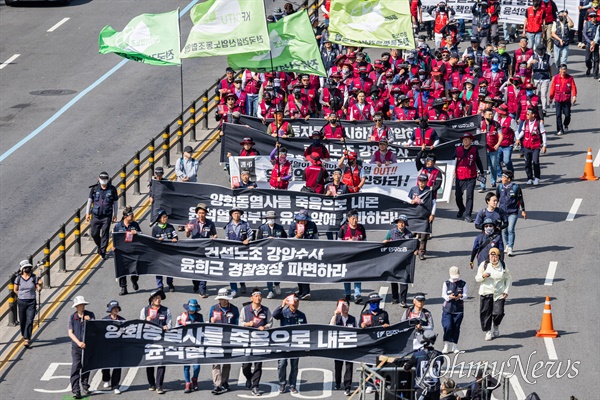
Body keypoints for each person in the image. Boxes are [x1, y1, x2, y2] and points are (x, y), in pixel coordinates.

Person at [240, 288, 273, 396]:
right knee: (245, 366)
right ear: (252, 298)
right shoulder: (245, 309)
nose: (258, 298)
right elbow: (239, 322)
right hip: (247, 341)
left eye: (260, 296)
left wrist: (265, 327)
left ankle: (255, 386)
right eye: (256, 296)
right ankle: (249, 378)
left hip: (260, 342)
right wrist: (247, 324)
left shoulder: (266, 310)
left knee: (258, 365)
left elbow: (270, 322)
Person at [273, 294, 308, 394]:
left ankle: (292, 385)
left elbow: (306, 329)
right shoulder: (283, 312)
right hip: (283, 343)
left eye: (296, 304)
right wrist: (282, 305)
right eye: (293, 304)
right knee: (282, 363)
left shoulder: (301, 315)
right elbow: (275, 315)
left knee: (294, 366)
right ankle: (282, 384)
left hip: (296, 344)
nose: (295, 306)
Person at [475, 248, 512, 341]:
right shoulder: (484, 265)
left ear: (499, 257)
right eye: (491, 256)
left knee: (499, 312)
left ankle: (496, 325)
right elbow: (477, 278)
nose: (493, 259)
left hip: (499, 293)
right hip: (486, 292)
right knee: (485, 313)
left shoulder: (503, 265)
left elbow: (508, 278)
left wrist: (506, 291)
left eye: (495, 256)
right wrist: (483, 276)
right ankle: (488, 331)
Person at [209, 288, 240, 395]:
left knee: (227, 362)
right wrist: (211, 321)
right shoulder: (213, 308)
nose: (224, 301)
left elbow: (237, 325)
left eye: (225, 299)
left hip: (229, 340)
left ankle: (225, 382)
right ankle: (217, 385)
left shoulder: (234, 309)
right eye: (222, 299)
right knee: (216, 363)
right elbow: (208, 324)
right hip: (216, 340)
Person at [142, 289, 171, 394]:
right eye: (156, 298)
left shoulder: (166, 310)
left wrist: (166, 326)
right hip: (149, 340)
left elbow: (169, 324)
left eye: (159, 298)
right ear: (151, 300)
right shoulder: (144, 310)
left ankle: (159, 385)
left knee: (162, 362)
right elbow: (140, 326)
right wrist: (146, 321)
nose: (158, 300)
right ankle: (151, 383)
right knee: (149, 361)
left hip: (162, 340)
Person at [186, 203, 218, 297]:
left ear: (206, 213)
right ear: (197, 213)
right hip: (194, 250)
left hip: (205, 250)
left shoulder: (210, 223)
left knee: (204, 270)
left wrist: (214, 237)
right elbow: (187, 236)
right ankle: (196, 285)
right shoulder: (192, 222)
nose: (201, 215)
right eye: (199, 213)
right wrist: (187, 231)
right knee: (195, 270)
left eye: (203, 213)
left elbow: (214, 234)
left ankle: (202, 289)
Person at [86, 171, 118, 260]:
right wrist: (87, 213)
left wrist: (115, 214)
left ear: (108, 180)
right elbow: (89, 201)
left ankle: (103, 252)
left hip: (106, 216)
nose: (103, 181)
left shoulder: (112, 189)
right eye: (102, 179)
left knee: (105, 234)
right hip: (95, 216)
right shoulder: (95, 189)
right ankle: (100, 246)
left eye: (105, 179)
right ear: (98, 179)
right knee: (94, 233)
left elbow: (115, 203)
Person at [403, 330, 443, 400]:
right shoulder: (440, 355)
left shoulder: (417, 355)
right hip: (435, 390)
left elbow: (406, 367)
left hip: (421, 389)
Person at [383, 216, 414, 306]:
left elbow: (413, 245)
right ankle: (395, 298)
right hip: (393, 260)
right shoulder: (391, 232)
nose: (401, 224)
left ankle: (403, 300)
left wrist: (415, 250)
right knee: (394, 279)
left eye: (403, 222)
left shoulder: (409, 234)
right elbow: (385, 241)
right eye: (399, 222)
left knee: (404, 280)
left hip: (404, 261)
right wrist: (386, 241)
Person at [68, 296, 95, 399]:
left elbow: (95, 327)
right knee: (76, 367)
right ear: (76, 306)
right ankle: (76, 390)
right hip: (76, 347)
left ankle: (85, 385)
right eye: (80, 305)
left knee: (86, 367)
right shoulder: (72, 317)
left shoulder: (90, 315)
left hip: (88, 346)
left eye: (83, 305)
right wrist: (79, 343)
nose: (82, 306)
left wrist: (89, 321)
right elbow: (70, 332)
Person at [454, 133, 485, 222]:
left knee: (469, 196)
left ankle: (468, 214)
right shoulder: (458, 149)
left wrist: (482, 172)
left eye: (467, 139)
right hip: (459, 176)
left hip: (471, 176)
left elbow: (478, 161)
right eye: (464, 139)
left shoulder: (474, 150)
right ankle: (461, 209)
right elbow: (451, 161)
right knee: (458, 196)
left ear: (471, 141)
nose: (465, 141)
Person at [256, 211, 287, 298]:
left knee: (277, 271)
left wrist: (276, 239)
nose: (271, 220)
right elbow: (258, 240)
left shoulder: (280, 228)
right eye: (269, 218)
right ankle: (270, 290)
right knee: (268, 272)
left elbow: (285, 239)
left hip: (278, 253)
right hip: (266, 253)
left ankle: (277, 284)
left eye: (272, 219)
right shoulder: (262, 228)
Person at [338, 209, 367, 304]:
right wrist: (347, 242)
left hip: (358, 256)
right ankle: (347, 293)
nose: (355, 220)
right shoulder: (343, 229)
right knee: (347, 276)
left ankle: (357, 294)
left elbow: (366, 242)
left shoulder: (361, 228)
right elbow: (337, 243)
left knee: (357, 275)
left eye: (357, 218)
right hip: (346, 256)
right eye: (353, 218)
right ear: (348, 219)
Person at [289, 210, 319, 300]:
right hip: (297, 251)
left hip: (309, 251)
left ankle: (306, 291)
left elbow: (316, 237)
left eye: (305, 220)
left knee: (306, 270)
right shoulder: (292, 226)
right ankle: (301, 290)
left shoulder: (312, 225)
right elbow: (288, 239)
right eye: (301, 220)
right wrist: (297, 237)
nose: (303, 222)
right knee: (297, 271)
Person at [330, 298, 357, 396]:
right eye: (342, 305)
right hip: (338, 347)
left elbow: (357, 331)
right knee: (338, 366)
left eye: (346, 305)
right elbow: (330, 328)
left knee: (349, 367)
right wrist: (335, 315)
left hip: (349, 347)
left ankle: (347, 386)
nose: (345, 307)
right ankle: (337, 382)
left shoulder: (353, 319)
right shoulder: (336, 318)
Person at [496, 171, 527, 257]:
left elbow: (520, 199)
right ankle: (507, 244)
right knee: (504, 230)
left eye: (503, 177)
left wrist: (523, 210)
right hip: (502, 213)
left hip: (513, 212)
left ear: (508, 179)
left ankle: (510, 247)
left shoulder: (516, 188)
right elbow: (497, 199)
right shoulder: (500, 187)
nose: (502, 178)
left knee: (510, 229)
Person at [176, 299, 203, 393]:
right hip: (185, 344)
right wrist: (179, 323)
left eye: (194, 309)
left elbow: (203, 329)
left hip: (196, 344)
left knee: (197, 366)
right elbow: (175, 330)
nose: (192, 310)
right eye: (191, 308)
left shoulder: (200, 317)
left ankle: (195, 379)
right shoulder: (181, 316)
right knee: (186, 365)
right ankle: (187, 383)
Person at [224, 208, 253, 297]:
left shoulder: (245, 224)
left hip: (243, 251)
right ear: (232, 215)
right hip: (232, 252)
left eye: (238, 213)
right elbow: (226, 238)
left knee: (241, 269)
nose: (236, 215)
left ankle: (242, 284)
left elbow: (251, 235)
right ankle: (234, 289)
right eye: (235, 213)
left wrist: (247, 240)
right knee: (231, 270)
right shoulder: (228, 226)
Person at [112, 206, 141, 296]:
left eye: (133, 216)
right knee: (122, 270)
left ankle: (134, 280)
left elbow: (142, 236)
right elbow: (114, 238)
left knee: (135, 268)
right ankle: (123, 287)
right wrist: (113, 247)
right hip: (122, 251)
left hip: (133, 250)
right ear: (125, 217)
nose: (132, 218)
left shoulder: (135, 225)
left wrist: (137, 233)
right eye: (131, 216)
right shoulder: (118, 226)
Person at [14, 260, 42, 348]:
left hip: (31, 302)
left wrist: (40, 284)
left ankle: (27, 338)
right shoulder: (18, 278)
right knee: (23, 320)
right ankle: (24, 334)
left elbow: (38, 289)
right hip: (21, 302)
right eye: (26, 268)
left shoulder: (34, 278)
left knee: (30, 320)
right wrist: (21, 295)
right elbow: (15, 289)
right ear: (22, 269)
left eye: (29, 268)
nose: (28, 269)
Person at [516, 107, 547, 185]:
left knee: (535, 162)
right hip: (527, 146)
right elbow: (523, 132)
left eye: (528, 114)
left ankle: (537, 177)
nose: (526, 115)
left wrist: (544, 145)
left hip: (536, 146)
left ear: (533, 115)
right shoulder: (525, 123)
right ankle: (529, 178)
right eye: (526, 114)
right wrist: (518, 138)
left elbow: (543, 134)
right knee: (527, 163)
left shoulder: (538, 124)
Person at [101, 301, 125, 394]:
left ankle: (115, 385)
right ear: (110, 310)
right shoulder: (104, 320)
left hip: (118, 347)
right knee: (105, 366)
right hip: (107, 348)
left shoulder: (122, 320)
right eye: (114, 308)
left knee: (117, 367)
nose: (116, 310)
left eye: (117, 308)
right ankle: (106, 379)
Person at [151, 209, 178, 292]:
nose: (166, 218)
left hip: (169, 252)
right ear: (159, 219)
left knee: (170, 269)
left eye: (166, 217)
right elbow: (152, 241)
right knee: (159, 269)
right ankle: (160, 286)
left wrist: (174, 239)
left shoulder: (170, 227)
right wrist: (157, 239)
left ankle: (170, 283)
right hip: (159, 253)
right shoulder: (155, 228)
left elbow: (176, 237)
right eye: (164, 217)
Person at [441, 267, 467, 354]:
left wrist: (461, 296)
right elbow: (444, 295)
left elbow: (466, 295)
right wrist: (449, 297)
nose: (455, 279)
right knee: (447, 326)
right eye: (453, 277)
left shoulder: (463, 283)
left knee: (456, 327)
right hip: (448, 309)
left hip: (458, 309)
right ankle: (446, 344)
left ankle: (455, 345)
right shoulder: (446, 283)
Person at [409, 174, 434, 260]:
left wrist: (432, 214)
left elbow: (434, 203)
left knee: (423, 237)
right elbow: (408, 200)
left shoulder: (430, 191)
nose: (421, 183)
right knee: (411, 234)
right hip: (414, 216)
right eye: (420, 181)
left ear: (427, 182)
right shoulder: (413, 189)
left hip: (425, 217)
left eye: (423, 181)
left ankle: (421, 252)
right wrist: (411, 201)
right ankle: (415, 249)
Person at [549, 64, 577, 136]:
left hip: (566, 99)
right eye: (562, 70)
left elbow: (573, 87)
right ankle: (560, 129)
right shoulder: (556, 78)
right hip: (558, 99)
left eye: (565, 70)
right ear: (560, 70)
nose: (563, 72)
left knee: (567, 115)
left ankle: (566, 125)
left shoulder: (570, 78)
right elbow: (552, 88)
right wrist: (551, 98)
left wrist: (574, 96)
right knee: (558, 115)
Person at [479, 109, 503, 192]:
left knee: (493, 166)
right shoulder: (480, 124)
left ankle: (493, 182)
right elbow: (476, 136)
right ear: (484, 115)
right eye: (488, 114)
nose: (490, 116)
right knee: (483, 167)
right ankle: (482, 185)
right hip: (483, 150)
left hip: (493, 149)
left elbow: (500, 135)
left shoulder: (496, 124)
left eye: (491, 114)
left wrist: (498, 144)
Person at [527, 44, 552, 117]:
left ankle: (544, 109)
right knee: (537, 94)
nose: (539, 53)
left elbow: (550, 66)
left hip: (545, 78)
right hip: (536, 78)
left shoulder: (548, 57)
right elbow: (528, 66)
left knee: (544, 94)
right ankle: (537, 108)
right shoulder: (533, 57)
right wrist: (531, 62)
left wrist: (551, 75)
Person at [494, 104, 517, 176]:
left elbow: (516, 130)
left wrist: (517, 140)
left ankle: (510, 173)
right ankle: (500, 175)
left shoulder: (511, 120)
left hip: (508, 145)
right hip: (499, 144)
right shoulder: (497, 119)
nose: (497, 113)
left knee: (506, 161)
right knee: (497, 161)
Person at [583, 12, 600, 79]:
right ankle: (589, 68)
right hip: (588, 43)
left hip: (597, 43)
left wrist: (595, 42)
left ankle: (595, 73)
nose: (593, 18)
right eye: (592, 16)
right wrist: (590, 42)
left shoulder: (599, 24)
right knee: (587, 59)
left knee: (596, 59)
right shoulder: (587, 24)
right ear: (590, 17)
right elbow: (584, 33)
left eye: (594, 16)